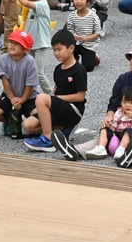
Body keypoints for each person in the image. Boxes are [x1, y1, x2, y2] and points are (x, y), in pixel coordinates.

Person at [28, 29, 88, 159]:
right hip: (61, 108)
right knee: (28, 125)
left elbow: (80, 96)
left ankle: (49, 140)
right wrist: (52, 100)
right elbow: (56, 89)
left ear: (71, 48)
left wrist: (53, 99)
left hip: (74, 109)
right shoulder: (57, 69)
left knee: (41, 98)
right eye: (54, 50)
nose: (56, 53)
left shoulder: (79, 70)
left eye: (59, 49)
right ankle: (62, 130)